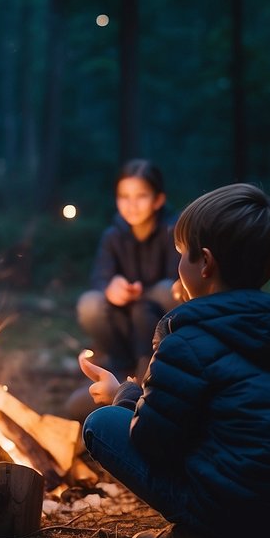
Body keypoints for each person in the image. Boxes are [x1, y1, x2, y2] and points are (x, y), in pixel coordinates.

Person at [78, 183, 270, 538]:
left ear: (205, 262)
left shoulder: (185, 340)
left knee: (101, 425)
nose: (177, 263)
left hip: (237, 513)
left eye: (182, 254)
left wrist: (123, 397)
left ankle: (206, 535)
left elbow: (154, 442)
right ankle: (245, 526)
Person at [67, 159, 183, 420]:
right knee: (90, 302)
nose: (131, 204)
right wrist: (111, 288)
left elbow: (181, 283)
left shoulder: (172, 231)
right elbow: (100, 277)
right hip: (122, 330)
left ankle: (148, 376)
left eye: (141, 196)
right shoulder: (113, 236)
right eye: (124, 196)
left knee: (166, 291)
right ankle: (120, 370)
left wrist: (143, 294)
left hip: (157, 327)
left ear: (158, 199)